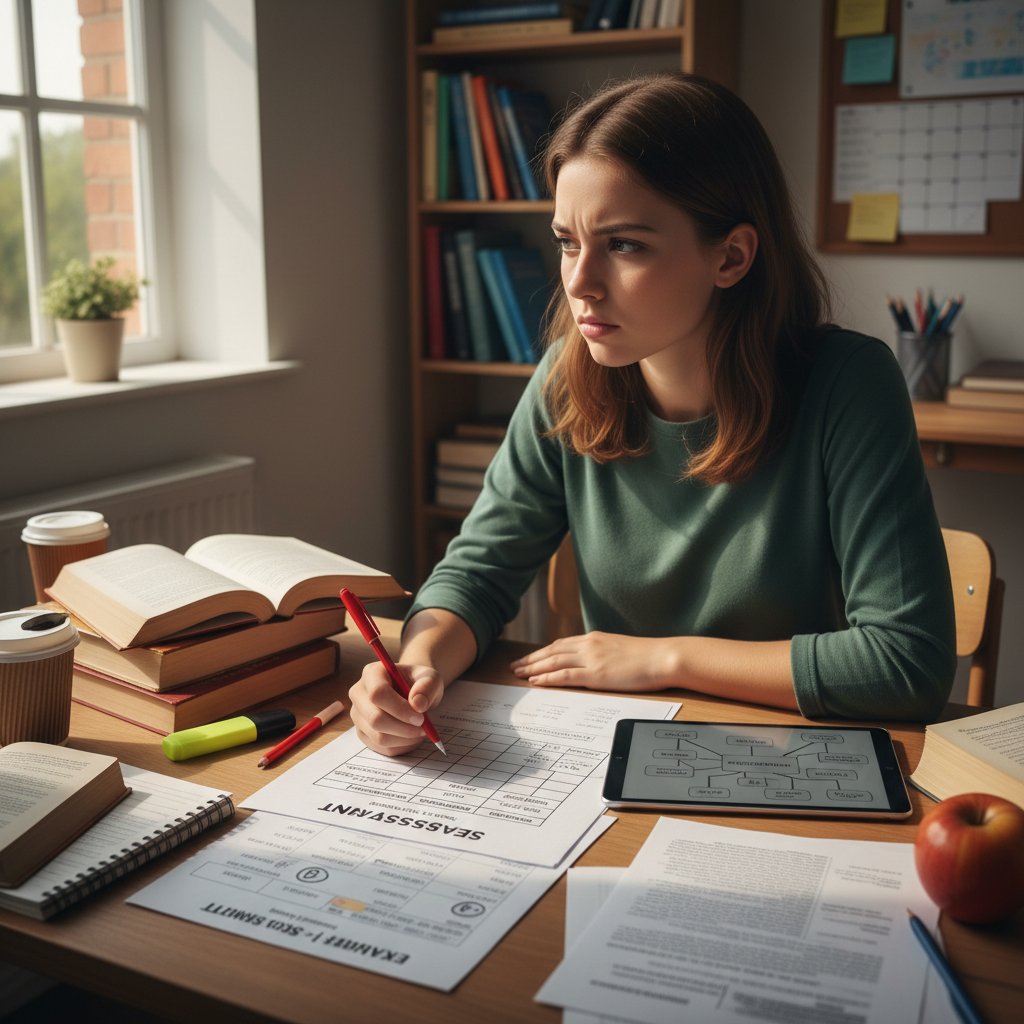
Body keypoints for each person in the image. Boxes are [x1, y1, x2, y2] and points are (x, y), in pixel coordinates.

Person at [349, 72, 956, 756]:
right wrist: (417, 665)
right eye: (568, 241)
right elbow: (477, 576)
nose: (579, 283)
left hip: (789, 757)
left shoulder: (848, 384)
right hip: (612, 752)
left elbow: (906, 663)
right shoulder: (565, 379)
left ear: (731, 257)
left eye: (624, 244)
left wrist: (664, 658)